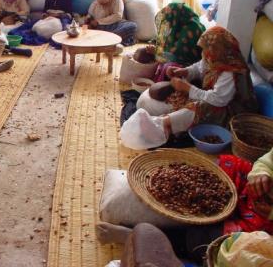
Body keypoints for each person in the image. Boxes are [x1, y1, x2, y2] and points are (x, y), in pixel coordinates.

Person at [96, 149, 273, 263]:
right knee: (230, 166)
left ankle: (157, 238)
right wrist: (261, 174)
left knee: (231, 241)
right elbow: (266, 161)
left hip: (264, 223)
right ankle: (181, 221)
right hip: (255, 191)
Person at [134, 26, 258, 143]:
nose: (204, 53)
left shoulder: (231, 72)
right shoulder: (214, 57)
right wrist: (185, 71)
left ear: (218, 50)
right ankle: (168, 123)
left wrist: (188, 88)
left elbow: (218, 100)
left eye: (206, 50)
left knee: (201, 107)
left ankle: (162, 124)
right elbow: (199, 67)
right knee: (190, 92)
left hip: (233, 113)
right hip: (217, 98)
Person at [152, 2, 205, 66]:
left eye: (167, 18)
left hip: (190, 67)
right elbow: (165, 39)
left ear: (173, 15)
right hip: (180, 61)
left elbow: (176, 57)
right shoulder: (178, 23)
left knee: (165, 66)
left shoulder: (191, 29)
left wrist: (156, 52)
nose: (166, 22)